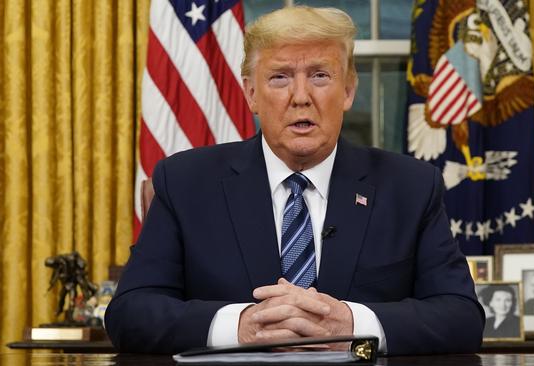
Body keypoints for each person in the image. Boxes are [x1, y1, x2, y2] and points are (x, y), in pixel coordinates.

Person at [104, 6, 484, 355]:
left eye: (320, 75)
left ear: (349, 90)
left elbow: (462, 317)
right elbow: (130, 313)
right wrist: (240, 327)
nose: (300, 96)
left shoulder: (411, 187)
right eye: (280, 77)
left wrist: (352, 325)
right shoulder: (185, 183)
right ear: (251, 92)